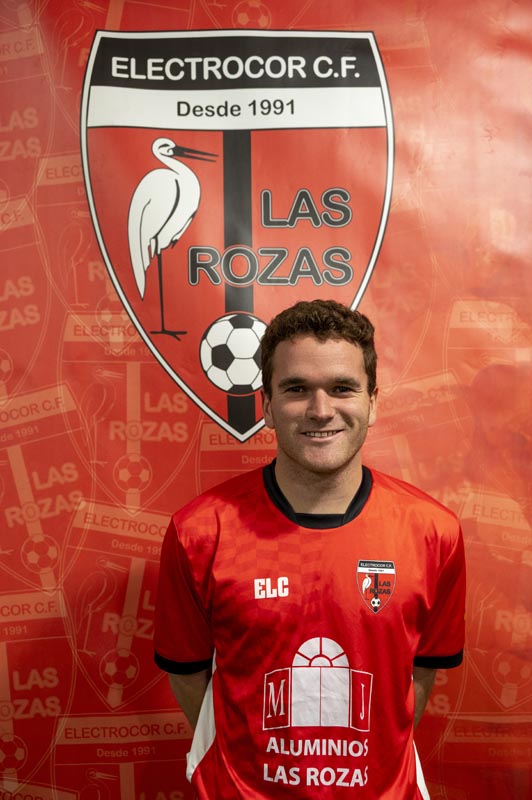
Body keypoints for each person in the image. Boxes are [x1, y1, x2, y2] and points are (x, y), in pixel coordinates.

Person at [154, 299, 466, 799]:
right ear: (267, 406)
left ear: (372, 401)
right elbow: (188, 676)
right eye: (297, 389)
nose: (321, 411)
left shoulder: (433, 532)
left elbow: (420, 672)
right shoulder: (201, 532)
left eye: (342, 388)